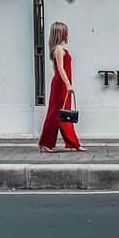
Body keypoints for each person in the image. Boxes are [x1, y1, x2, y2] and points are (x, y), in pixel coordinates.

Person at [39, 20, 84, 151]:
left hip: (62, 84)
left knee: (63, 114)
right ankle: (48, 143)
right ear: (60, 33)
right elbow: (60, 68)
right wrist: (68, 84)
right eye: (65, 31)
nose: (67, 33)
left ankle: (72, 142)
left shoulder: (58, 49)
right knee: (56, 114)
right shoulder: (58, 49)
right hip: (61, 84)